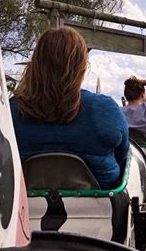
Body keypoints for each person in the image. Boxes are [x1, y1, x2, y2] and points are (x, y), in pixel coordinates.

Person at [10, 27, 129, 190]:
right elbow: (123, 158)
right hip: (102, 207)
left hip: (26, 208)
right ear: (81, 66)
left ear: (36, 63)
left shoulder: (10, 111)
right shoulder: (106, 109)